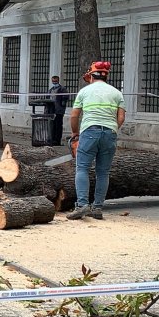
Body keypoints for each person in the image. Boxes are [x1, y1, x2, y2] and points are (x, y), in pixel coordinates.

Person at [68, 61, 125, 220]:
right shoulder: (117, 93)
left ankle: (82, 205)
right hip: (109, 133)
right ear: (106, 76)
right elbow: (121, 117)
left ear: (91, 76)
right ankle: (98, 207)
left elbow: (74, 115)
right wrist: (112, 128)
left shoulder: (84, 92)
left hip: (89, 132)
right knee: (103, 172)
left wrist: (74, 132)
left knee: (82, 168)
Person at [48, 75, 68, 146]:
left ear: (58, 81)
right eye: (53, 81)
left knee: (58, 125)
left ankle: (57, 140)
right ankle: (52, 139)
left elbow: (65, 97)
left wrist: (62, 103)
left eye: (55, 81)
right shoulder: (51, 90)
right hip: (52, 111)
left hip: (59, 111)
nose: (54, 82)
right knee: (52, 125)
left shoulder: (62, 89)